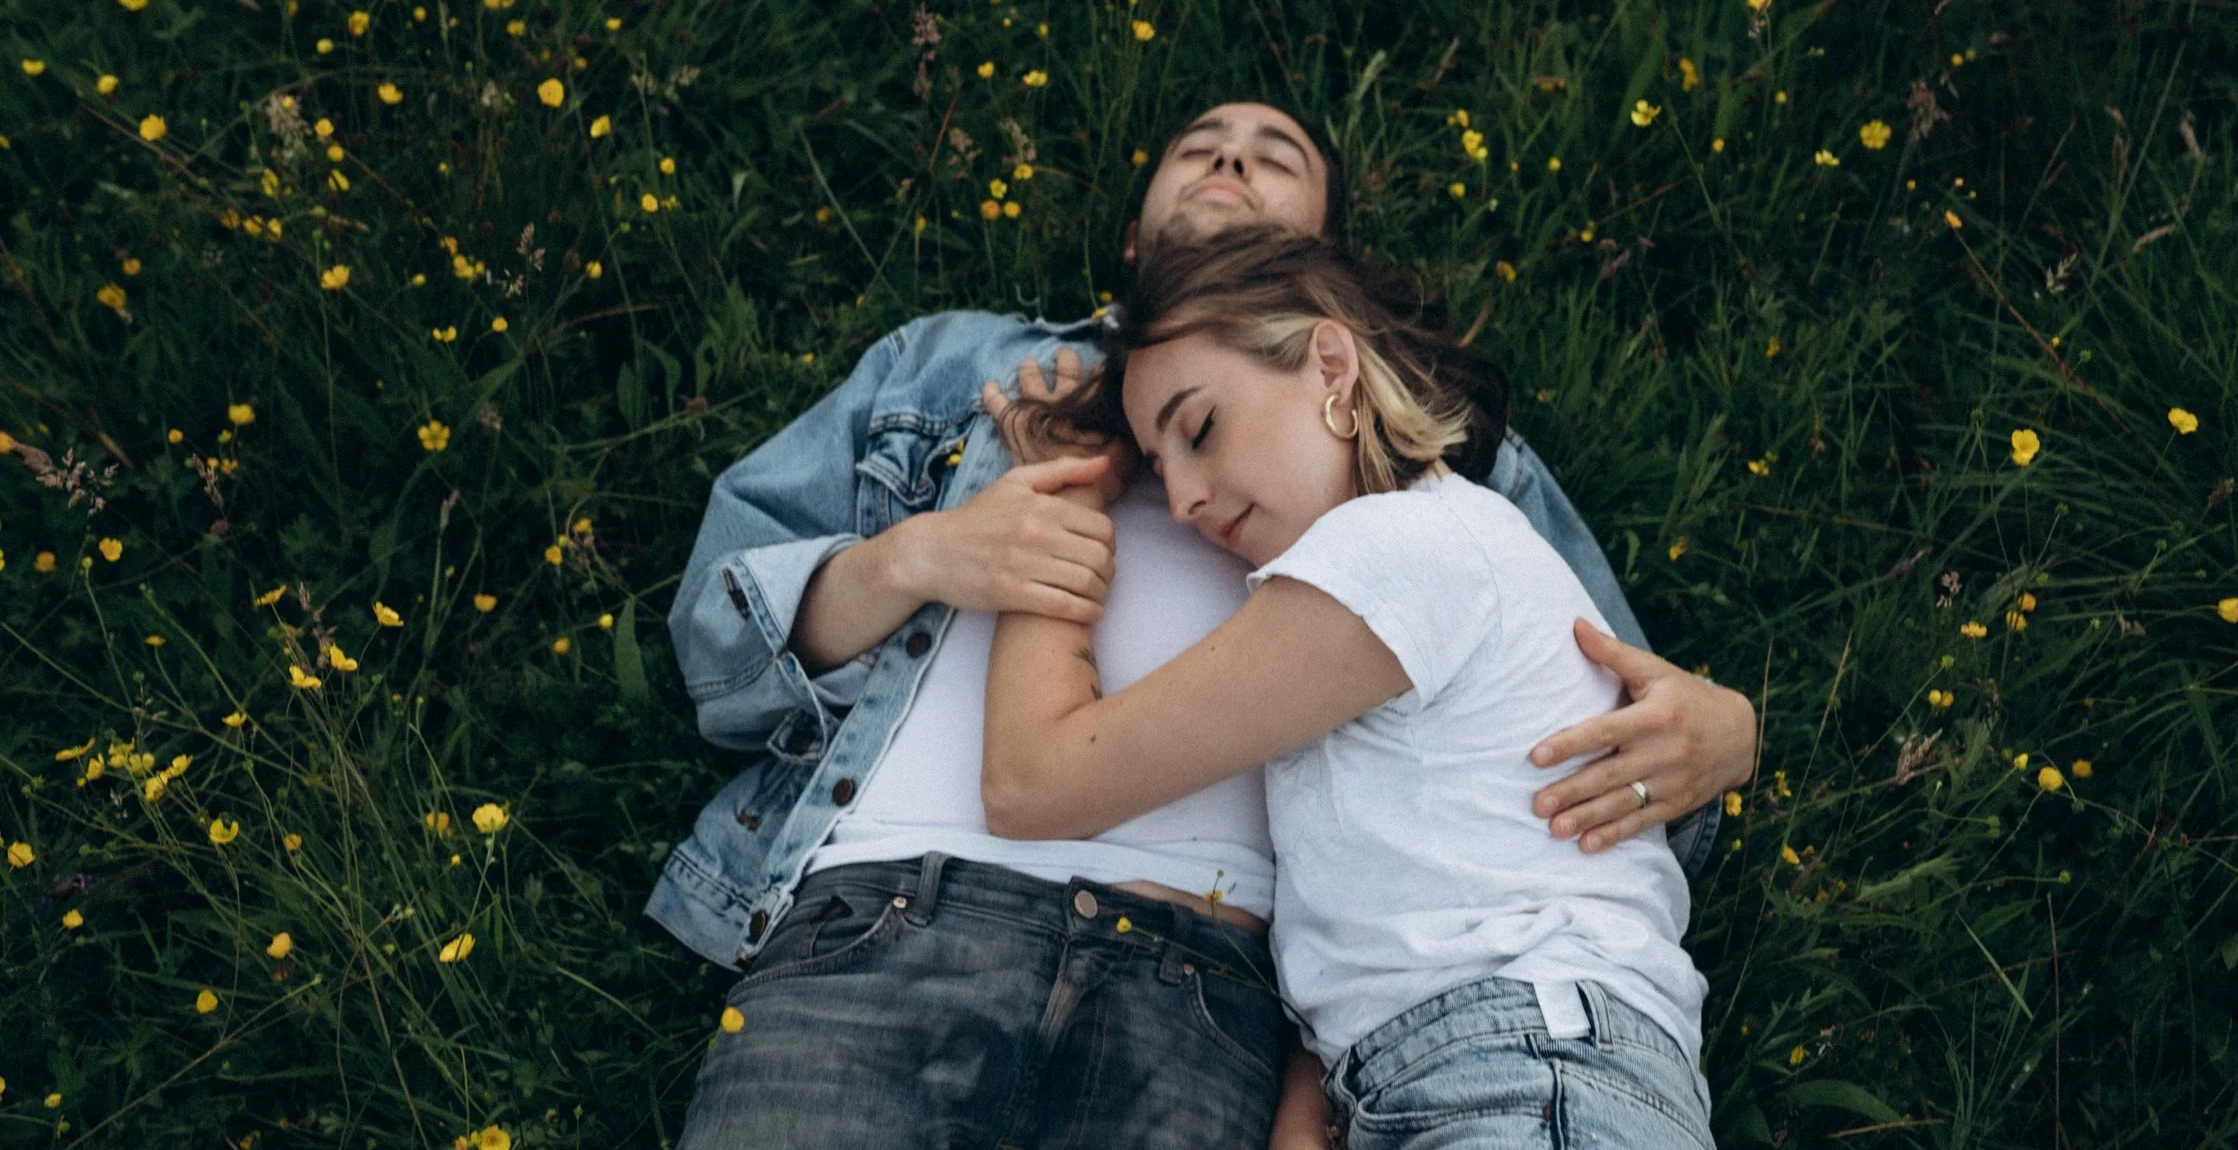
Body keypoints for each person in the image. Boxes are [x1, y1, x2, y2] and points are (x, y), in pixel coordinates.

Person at [650, 101, 1756, 1149]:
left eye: (1277, 156)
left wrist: (1725, 732)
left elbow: (1592, 728)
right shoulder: (955, 367)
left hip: (1212, 986)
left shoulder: (1439, 472)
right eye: (1200, 146)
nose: (1231, 159)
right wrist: (921, 555)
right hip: (889, 909)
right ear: (1135, 241)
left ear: (1319, 286)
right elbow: (714, 644)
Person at [980, 225, 1713, 1149]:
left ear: (1331, 365)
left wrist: (1060, 496)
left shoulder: (1396, 551)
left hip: (1529, 1066)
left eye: (1199, 429)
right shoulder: (1402, 571)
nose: (1184, 499)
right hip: (1458, 1070)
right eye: (1159, 468)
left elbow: (1030, 780)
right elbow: (1385, 904)